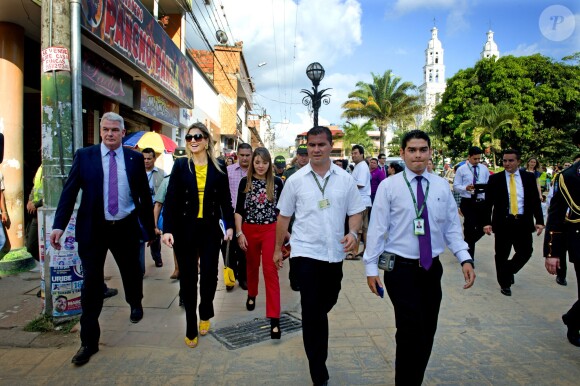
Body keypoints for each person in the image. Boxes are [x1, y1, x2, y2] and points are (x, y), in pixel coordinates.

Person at [363, 129, 476, 385]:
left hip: (431, 269)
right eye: (411, 150)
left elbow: (451, 228)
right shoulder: (388, 186)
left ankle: (414, 379)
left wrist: (464, 258)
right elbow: (378, 229)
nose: (417, 155)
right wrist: (370, 268)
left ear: (429, 153)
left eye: (422, 150)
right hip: (399, 270)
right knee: (409, 330)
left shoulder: (440, 186)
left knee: (427, 332)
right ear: (402, 154)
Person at [50, 111, 154, 365]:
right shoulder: (85, 157)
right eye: (105, 129)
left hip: (125, 227)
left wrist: (150, 231)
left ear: (122, 133)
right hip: (93, 229)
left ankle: (135, 301)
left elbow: (143, 196)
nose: (109, 134)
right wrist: (58, 226)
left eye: (114, 130)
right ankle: (89, 342)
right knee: (91, 286)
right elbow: (69, 191)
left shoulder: (134, 158)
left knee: (132, 272)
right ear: (100, 131)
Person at [274, 126, 364, 386]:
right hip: (305, 253)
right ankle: (318, 372)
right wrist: (277, 249)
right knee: (313, 312)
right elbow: (284, 218)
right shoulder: (296, 180)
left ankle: (315, 319)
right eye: (311, 145)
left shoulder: (345, 179)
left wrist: (354, 233)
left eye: (321, 145)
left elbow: (356, 210)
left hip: (334, 254)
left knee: (327, 301)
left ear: (330, 145)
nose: (316, 149)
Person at [162, 122, 234, 349]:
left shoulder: (219, 166)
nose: (193, 140)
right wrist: (167, 229)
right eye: (189, 137)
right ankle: (191, 324)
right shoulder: (181, 166)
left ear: (206, 140)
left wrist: (230, 225)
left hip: (210, 229)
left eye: (198, 136)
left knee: (210, 275)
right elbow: (171, 200)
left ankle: (205, 312)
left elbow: (226, 201)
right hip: (185, 229)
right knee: (189, 277)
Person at [235, 148, 284, 338]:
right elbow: (239, 209)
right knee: (252, 265)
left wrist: (283, 235)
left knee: (270, 271)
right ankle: (252, 294)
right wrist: (240, 233)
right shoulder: (244, 182)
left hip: (270, 229)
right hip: (249, 229)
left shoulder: (277, 183)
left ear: (269, 163)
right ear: (252, 163)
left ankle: (274, 318)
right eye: (257, 162)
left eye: (264, 162)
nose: (260, 166)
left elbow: (282, 211)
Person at [483, 149, 544, 296]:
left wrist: (540, 221)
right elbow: (488, 203)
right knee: (501, 254)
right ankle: (504, 283)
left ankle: (508, 270)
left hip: (523, 221)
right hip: (503, 222)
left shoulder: (528, 178)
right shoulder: (495, 179)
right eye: (504, 160)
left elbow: (535, 201)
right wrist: (486, 222)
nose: (507, 163)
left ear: (518, 162)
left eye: (511, 161)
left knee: (526, 252)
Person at [544, 130, 580, 347]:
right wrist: (552, 253)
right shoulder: (568, 177)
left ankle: (573, 317)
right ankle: (575, 323)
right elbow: (556, 217)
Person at [453, 146, 490, 259]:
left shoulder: (483, 168)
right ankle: (469, 258)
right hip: (468, 202)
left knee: (482, 228)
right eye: (475, 159)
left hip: (481, 201)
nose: (477, 161)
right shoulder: (461, 169)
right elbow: (456, 186)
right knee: (469, 228)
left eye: (479, 159)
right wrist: (465, 188)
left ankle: (466, 245)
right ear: (469, 157)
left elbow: (489, 183)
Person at [282, 143, 310, 290]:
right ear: (297, 156)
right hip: (293, 220)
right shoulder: (289, 173)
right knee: (294, 250)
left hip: (309, 218)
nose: (303, 158)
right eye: (301, 155)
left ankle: (305, 277)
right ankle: (295, 279)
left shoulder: (315, 172)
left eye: (306, 155)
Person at [225, 143, 252, 290]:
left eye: (248, 155)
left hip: (246, 216)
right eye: (242, 155)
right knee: (228, 247)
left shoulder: (255, 172)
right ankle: (230, 277)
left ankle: (243, 278)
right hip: (229, 215)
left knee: (244, 248)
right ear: (237, 155)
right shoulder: (228, 171)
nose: (245, 158)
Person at [142, 148, 165, 270]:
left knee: (155, 232)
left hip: (155, 206)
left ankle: (157, 257)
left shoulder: (161, 173)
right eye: (144, 158)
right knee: (139, 235)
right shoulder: (136, 172)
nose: (146, 161)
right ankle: (140, 266)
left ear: (154, 159)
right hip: (140, 208)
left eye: (149, 158)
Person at [349, 145, 371, 260]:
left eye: (356, 153)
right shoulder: (359, 166)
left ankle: (353, 252)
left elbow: (361, 184)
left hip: (361, 201)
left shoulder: (362, 167)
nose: (353, 155)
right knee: (364, 229)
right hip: (362, 201)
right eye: (352, 153)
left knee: (358, 229)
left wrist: (348, 185)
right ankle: (366, 251)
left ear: (362, 154)